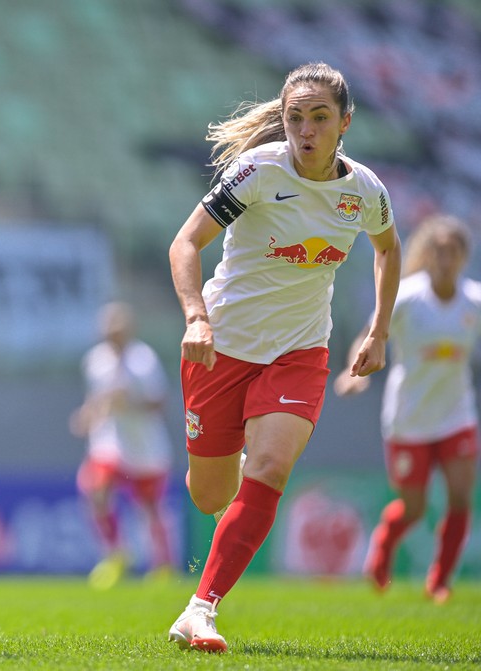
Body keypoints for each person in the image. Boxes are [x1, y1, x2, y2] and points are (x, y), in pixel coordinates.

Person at [166, 62, 401, 653]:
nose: (306, 130)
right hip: (222, 349)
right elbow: (185, 243)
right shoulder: (257, 172)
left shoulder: (365, 191)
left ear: (345, 122)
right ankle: (237, 468)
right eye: (296, 117)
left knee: (269, 468)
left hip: (300, 350)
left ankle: (201, 609)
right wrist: (196, 316)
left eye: (320, 117)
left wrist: (378, 330)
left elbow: (389, 249)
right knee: (211, 497)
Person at [335, 214, 479, 603]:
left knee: (461, 496)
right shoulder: (407, 296)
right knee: (413, 509)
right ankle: (383, 548)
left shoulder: (474, 301)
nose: (445, 259)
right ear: (428, 255)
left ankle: (440, 581)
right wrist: (355, 373)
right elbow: (369, 336)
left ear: (464, 257)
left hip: (456, 416)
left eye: (453, 252)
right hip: (408, 418)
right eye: (439, 251)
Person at [69, 302, 175, 589]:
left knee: (151, 507)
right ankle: (116, 553)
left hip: (145, 447)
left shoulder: (143, 360)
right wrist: (87, 416)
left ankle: (163, 566)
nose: (112, 333)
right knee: (95, 487)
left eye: (118, 328)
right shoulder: (96, 360)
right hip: (110, 441)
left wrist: (127, 403)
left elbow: (158, 403)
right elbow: (97, 399)